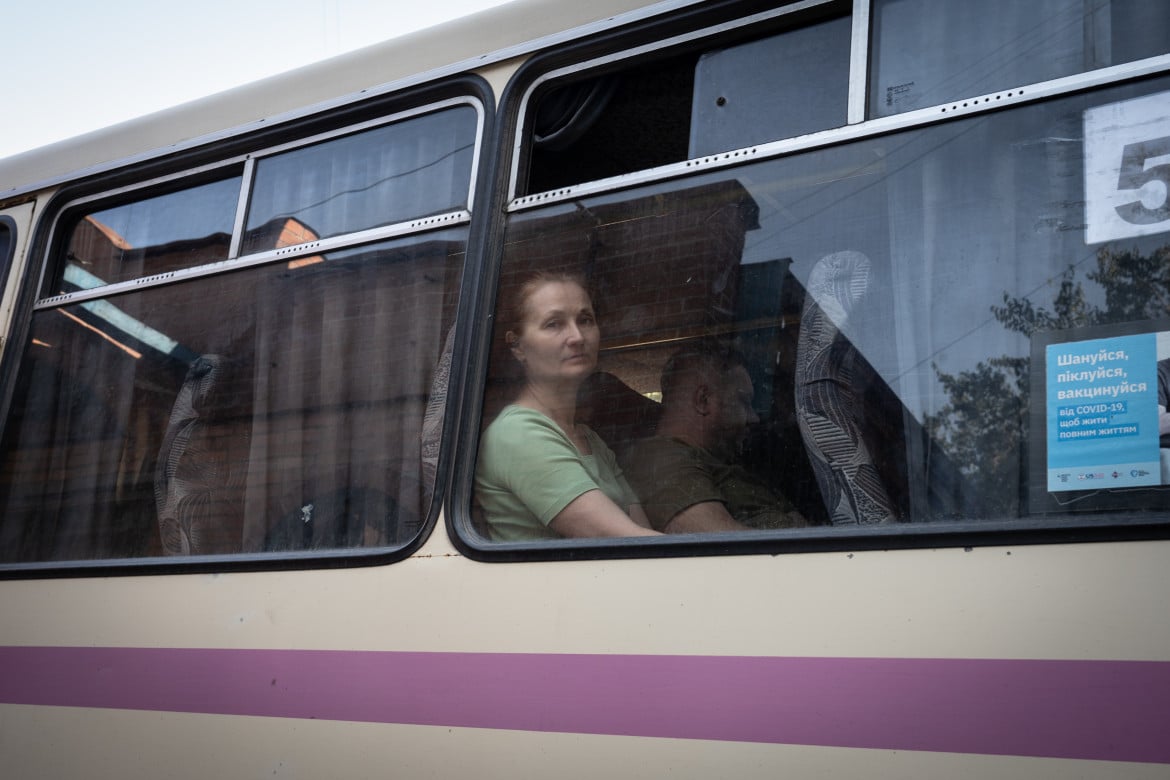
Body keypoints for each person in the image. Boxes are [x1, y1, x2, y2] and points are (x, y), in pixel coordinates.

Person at [475, 271, 660, 541]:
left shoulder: (590, 439)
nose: (577, 337)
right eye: (553, 324)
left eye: (585, 320)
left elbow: (640, 533)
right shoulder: (517, 433)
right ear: (518, 347)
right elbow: (627, 543)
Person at [622, 339, 808, 533]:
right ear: (703, 400)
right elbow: (717, 543)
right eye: (743, 401)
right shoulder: (661, 461)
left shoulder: (713, 462)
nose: (754, 418)